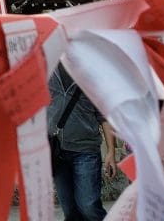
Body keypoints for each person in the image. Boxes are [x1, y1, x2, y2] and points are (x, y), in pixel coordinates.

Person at [48, 65, 117, 221]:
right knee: (70, 210)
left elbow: (104, 117)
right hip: (56, 151)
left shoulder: (92, 75)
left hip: (85, 151)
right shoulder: (48, 69)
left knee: (88, 207)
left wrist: (111, 152)